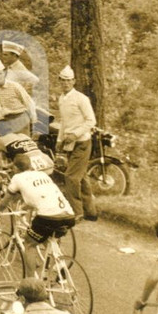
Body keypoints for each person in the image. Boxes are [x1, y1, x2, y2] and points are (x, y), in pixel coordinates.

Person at [0, 150, 74, 273]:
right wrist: (23, 209)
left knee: (29, 244)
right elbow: (40, 196)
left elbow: (5, 201)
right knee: (44, 236)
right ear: (30, 166)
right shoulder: (42, 175)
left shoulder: (17, 178)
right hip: (68, 215)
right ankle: (60, 264)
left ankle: (30, 284)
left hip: (48, 217)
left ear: (15, 167)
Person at [55, 65, 98, 221]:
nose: (66, 83)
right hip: (69, 143)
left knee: (71, 177)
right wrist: (60, 140)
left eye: (69, 80)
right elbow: (63, 122)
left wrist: (75, 134)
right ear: (59, 81)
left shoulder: (81, 98)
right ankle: (90, 211)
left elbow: (91, 121)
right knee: (82, 176)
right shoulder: (61, 98)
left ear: (74, 81)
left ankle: (77, 211)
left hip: (82, 142)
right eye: (63, 80)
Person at [0, 59, 36, 136]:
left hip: (20, 118)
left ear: (5, 73)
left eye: (0, 73)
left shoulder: (15, 86)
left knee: (21, 144)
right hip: (4, 120)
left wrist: (33, 120)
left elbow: (28, 102)